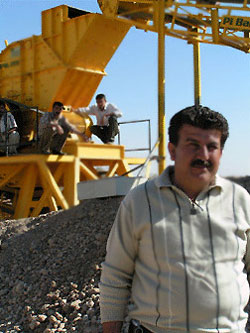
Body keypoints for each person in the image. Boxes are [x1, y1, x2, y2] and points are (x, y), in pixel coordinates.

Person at [99, 105, 250, 333]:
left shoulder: (240, 200)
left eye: (212, 147)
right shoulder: (140, 201)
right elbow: (115, 275)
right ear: (172, 150)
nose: (204, 155)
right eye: (193, 146)